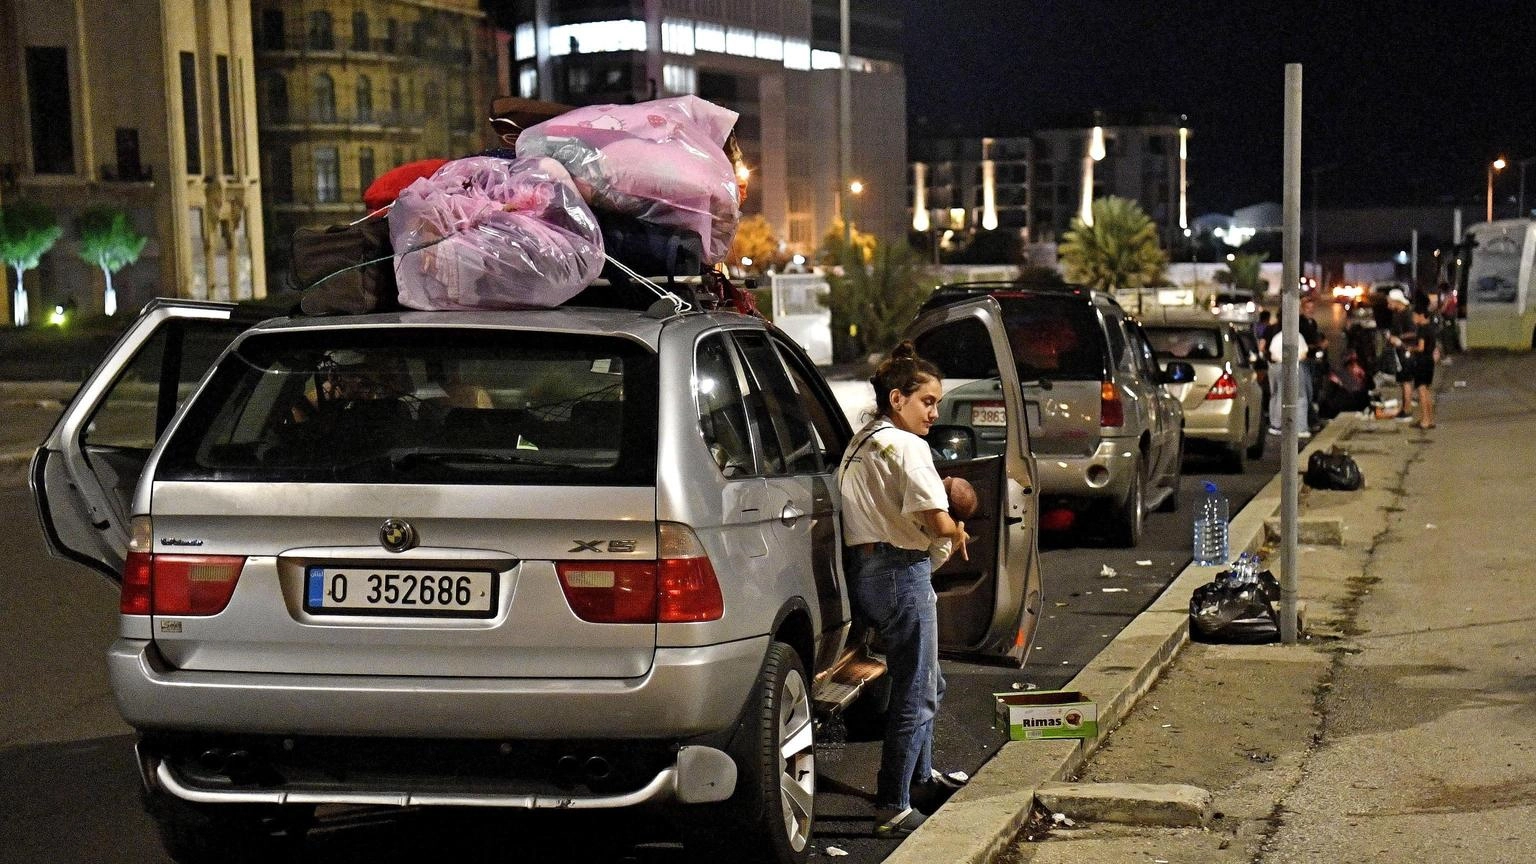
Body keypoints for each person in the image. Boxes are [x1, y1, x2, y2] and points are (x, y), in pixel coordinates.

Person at [837, 341, 970, 838]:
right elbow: (936, 521)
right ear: (898, 399)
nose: (935, 412)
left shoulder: (863, 440)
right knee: (915, 691)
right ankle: (892, 804)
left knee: (928, 683)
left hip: (867, 570)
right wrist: (956, 530)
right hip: (900, 573)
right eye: (928, 401)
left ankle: (921, 779)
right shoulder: (910, 447)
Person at [1384, 288, 1416, 419]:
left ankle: (1407, 409)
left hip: (1406, 350)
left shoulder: (1407, 314)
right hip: (1400, 350)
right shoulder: (1397, 313)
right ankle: (1405, 407)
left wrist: (1399, 338)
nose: (1388, 305)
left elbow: (1414, 332)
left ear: (1396, 301)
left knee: (1406, 380)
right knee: (1403, 381)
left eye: (1390, 302)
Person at [1406, 298, 1438, 429]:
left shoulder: (1422, 329)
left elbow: (1420, 347)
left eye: (1414, 315)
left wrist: (1410, 349)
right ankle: (1430, 419)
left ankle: (1424, 420)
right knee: (1427, 391)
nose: (1413, 318)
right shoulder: (1431, 327)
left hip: (1422, 361)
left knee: (1422, 391)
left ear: (1420, 315)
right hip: (1429, 361)